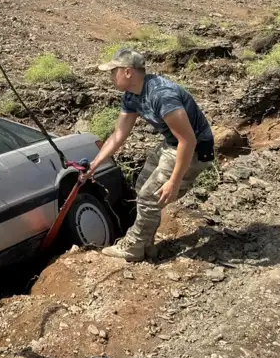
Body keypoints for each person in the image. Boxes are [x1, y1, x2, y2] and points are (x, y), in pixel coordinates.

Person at [82, 49, 215, 262]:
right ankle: (147, 245)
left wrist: (174, 180)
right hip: (172, 143)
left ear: (127, 72)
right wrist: (94, 165)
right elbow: (118, 134)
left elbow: (188, 141)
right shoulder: (131, 95)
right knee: (141, 188)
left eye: (112, 71)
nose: (110, 76)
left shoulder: (162, 95)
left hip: (194, 149)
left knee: (149, 197)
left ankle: (133, 247)